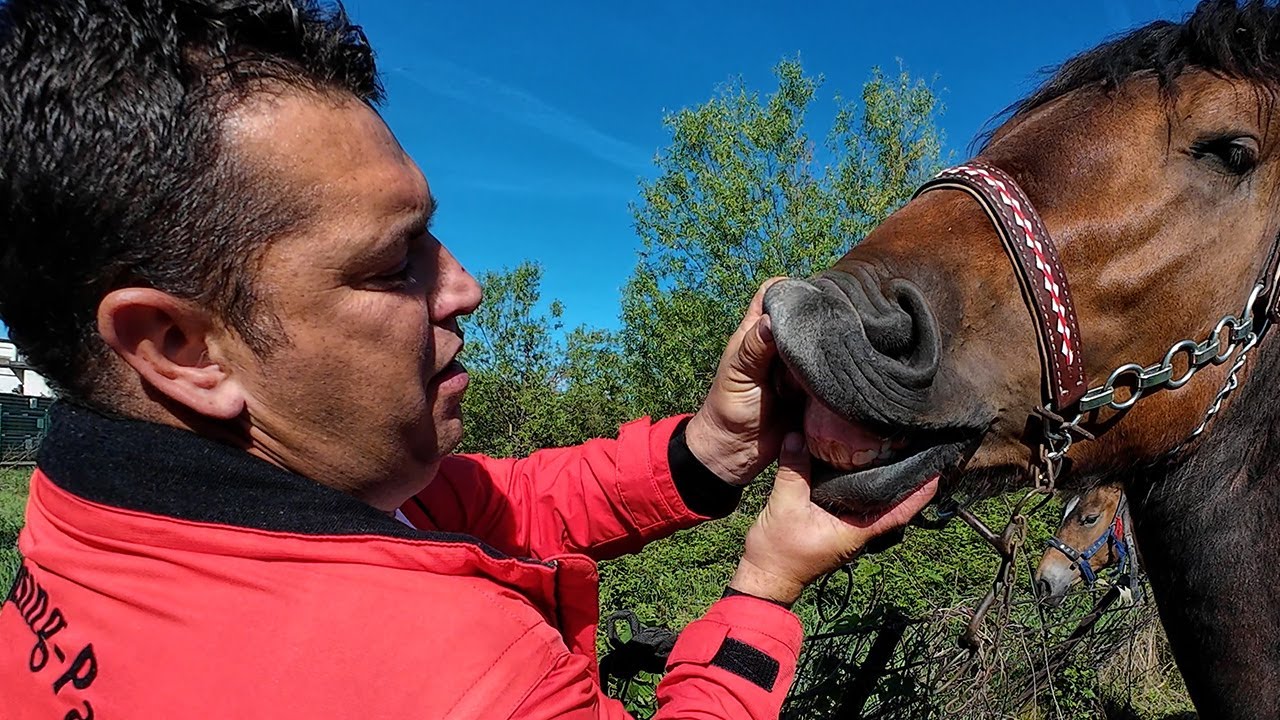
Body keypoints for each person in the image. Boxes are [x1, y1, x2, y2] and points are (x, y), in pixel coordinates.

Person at [0, 1, 937, 718]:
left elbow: (500, 503)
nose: (465, 287)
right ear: (181, 347)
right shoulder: (458, 678)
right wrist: (762, 589)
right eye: (392, 259)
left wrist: (706, 451)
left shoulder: (95, 512)